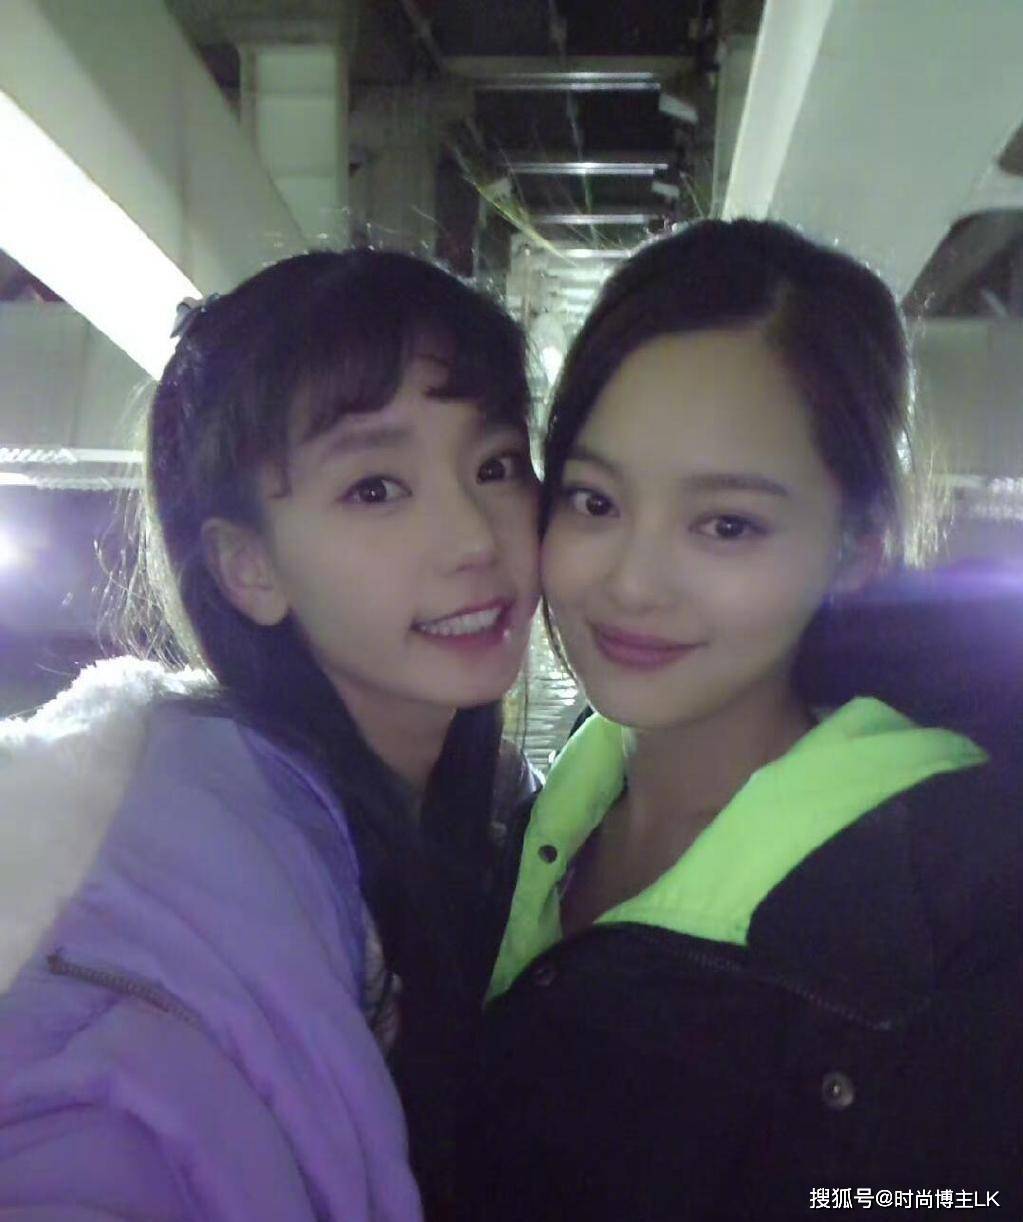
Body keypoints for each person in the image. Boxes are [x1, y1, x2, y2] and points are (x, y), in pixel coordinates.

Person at [461, 220, 1022, 1220]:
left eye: (726, 524)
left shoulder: (966, 911)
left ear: (855, 550)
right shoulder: (527, 815)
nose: (632, 583)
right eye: (594, 501)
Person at [0, 248, 540, 1221]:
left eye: (496, 466)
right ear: (249, 568)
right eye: (375, 488)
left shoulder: (503, 817)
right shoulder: (158, 884)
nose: (475, 538)